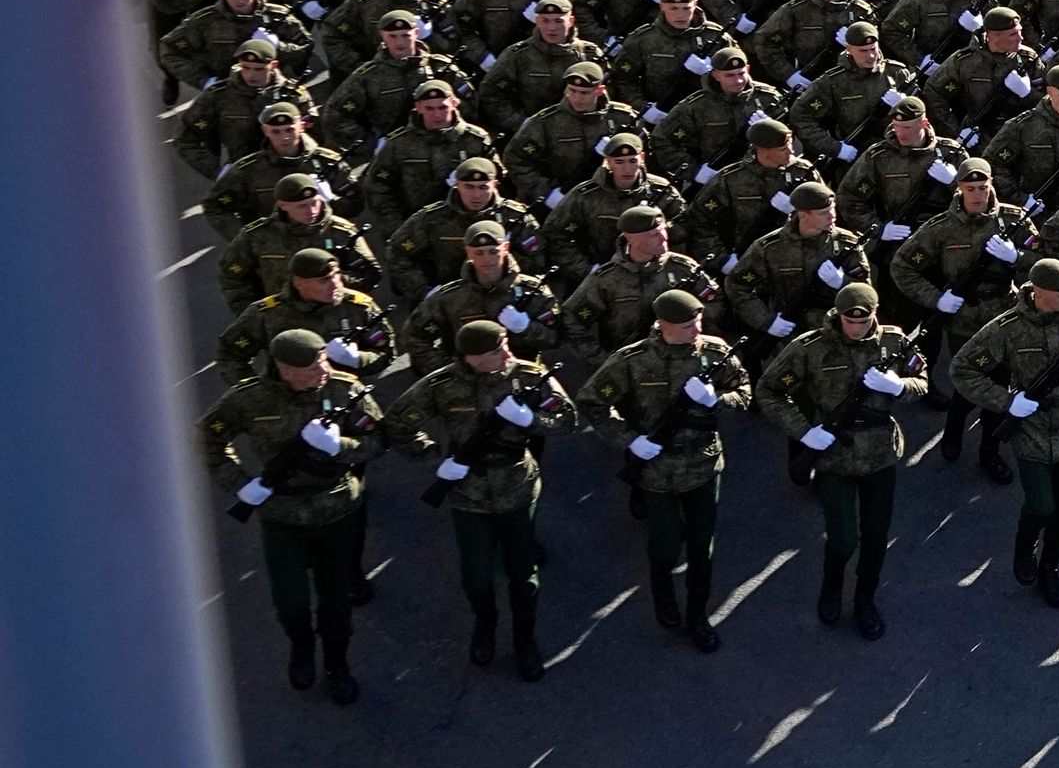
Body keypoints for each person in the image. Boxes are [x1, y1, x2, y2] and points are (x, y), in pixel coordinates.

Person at [384, 318, 575, 681]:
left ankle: (524, 639)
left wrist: (531, 419)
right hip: (467, 494)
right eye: (494, 351)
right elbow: (398, 424)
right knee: (476, 578)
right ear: (471, 358)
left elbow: (566, 420)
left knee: (523, 576)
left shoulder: (530, 375)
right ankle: (485, 624)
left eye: (505, 343)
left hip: (516, 485)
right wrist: (436, 459)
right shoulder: (442, 385)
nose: (506, 353)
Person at [198, 327, 383, 702]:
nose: (324, 369)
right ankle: (301, 647)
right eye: (314, 365)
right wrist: (240, 483)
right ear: (285, 369)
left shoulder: (345, 389)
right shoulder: (248, 399)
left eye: (324, 360)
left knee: (336, 603)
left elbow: (378, 441)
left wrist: (341, 447)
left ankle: (336, 665)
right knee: (290, 603)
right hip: (281, 516)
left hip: (336, 511)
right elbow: (208, 438)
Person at [578, 290, 749, 652]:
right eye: (687, 325)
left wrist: (717, 400)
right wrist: (630, 441)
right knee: (665, 544)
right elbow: (593, 403)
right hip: (657, 469)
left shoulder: (715, 352)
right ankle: (663, 594)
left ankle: (698, 615)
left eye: (698, 322)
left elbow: (745, 394)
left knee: (703, 548)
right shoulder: (632, 360)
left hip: (702, 463)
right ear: (664, 325)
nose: (696, 330)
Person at [754, 283, 927, 634]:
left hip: (880, 453)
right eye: (849, 320)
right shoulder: (810, 347)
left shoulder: (893, 343)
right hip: (835, 455)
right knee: (843, 538)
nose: (856, 327)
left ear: (875, 313)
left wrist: (899, 387)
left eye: (863, 321)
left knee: (876, 538)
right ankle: (832, 588)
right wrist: (803, 431)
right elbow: (769, 391)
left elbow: (921, 380)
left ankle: (865, 599)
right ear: (838, 315)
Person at [948, 258, 1059, 606]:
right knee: (1040, 505)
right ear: (1037, 293)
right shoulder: (1007, 327)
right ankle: (1025, 549)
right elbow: (962, 369)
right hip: (1032, 427)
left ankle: (1049, 569)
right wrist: (1006, 401)